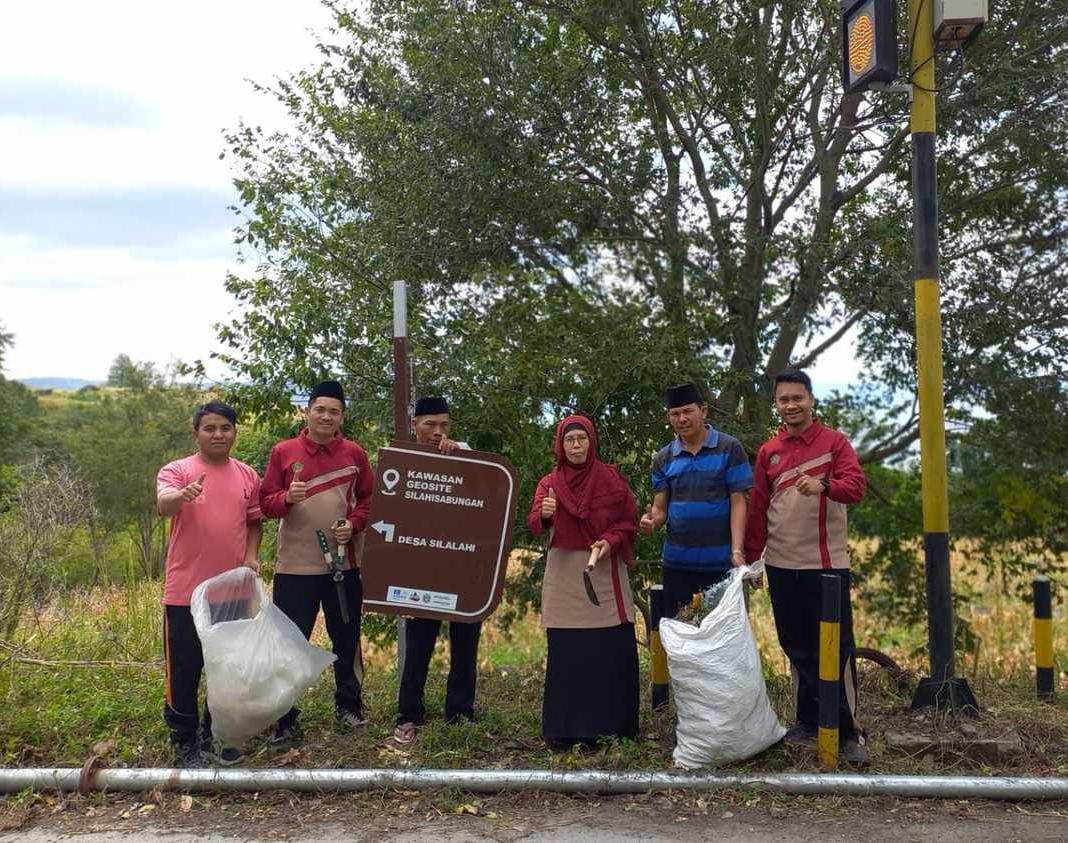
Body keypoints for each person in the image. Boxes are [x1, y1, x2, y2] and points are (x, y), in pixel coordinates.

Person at [744, 368, 868, 765]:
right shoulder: (769, 451)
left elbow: (856, 487)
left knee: (836, 648)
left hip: (826, 565)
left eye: (798, 398)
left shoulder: (834, 443)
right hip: (781, 564)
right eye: (784, 399)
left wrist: (825, 486)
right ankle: (808, 720)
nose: (791, 405)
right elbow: (758, 508)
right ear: (776, 404)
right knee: (794, 644)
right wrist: (751, 559)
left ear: (811, 400)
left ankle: (848, 732)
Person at [259, 379, 373, 743]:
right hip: (295, 565)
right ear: (307, 411)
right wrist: (287, 499)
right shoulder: (283, 451)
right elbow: (265, 504)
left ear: (342, 416)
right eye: (320, 409)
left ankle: (350, 706)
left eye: (334, 411)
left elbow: (369, 502)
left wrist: (353, 525)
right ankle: (285, 717)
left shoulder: (355, 454)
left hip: (344, 565)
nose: (326, 416)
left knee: (347, 637)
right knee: (290, 642)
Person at [156, 400, 263, 767]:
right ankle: (184, 741)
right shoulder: (179, 470)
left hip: (232, 590)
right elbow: (163, 504)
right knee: (185, 668)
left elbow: (253, 522)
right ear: (196, 433)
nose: (218, 434)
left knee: (227, 667)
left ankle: (216, 735)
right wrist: (181, 495)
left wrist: (252, 555)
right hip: (185, 591)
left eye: (225, 428)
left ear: (235, 431)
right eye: (210, 428)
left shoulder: (248, 474)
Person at [527, 414, 639, 747]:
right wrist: (546, 514)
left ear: (591, 442)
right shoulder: (549, 483)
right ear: (561, 446)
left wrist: (610, 540)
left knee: (609, 649)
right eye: (569, 441)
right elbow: (534, 523)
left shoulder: (612, 479)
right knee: (568, 652)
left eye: (582, 439)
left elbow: (628, 522)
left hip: (603, 568)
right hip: (565, 571)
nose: (576, 446)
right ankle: (566, 731)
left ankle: (615, 730)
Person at [393, 396, 480, 744]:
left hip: (463, 567)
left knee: (465, 643)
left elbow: (486, 496)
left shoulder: (466, 453)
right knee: (418, 644)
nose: (437, 431)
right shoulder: (404, 459)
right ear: (415, 425)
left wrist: (461, 455)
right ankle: (409, 713)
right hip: (421, 571)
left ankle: (460, 713)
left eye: (444, 424)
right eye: (430, 424)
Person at [639, 382, 753, 618]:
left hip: (721, 562)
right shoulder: (663, 458)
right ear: (669, 417)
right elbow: (660, 509)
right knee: (681, 634)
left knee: (721, 637)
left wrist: (737, 550)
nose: (682, 419)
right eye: (675, 414)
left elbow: (738, 502)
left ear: (703, 411)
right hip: (677, 563)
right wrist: (652, 521)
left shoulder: (730, 448)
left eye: (687, 411)